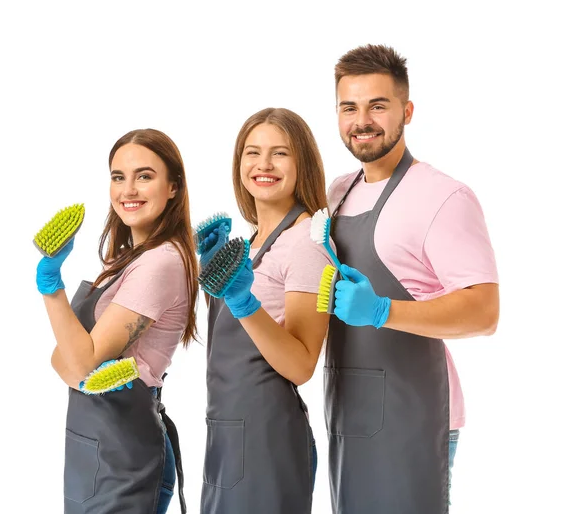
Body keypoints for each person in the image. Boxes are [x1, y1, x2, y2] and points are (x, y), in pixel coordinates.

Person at [325, 44, 500, 513]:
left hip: (415, 417)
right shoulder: (337, 192)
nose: (362, 120)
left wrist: (382, 311)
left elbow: (484, 312)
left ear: (407, 111)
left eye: (377, 106)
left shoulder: (443, 195)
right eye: (349, 107)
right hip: (348, 412)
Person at [36, 128, 198, 514]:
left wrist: (52, 288)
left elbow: (78, 361)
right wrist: (81, 369)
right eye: (118, 176)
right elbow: (62, 360)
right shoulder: (125, 259)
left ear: (173, 187)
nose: (129, 190)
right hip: (92, 448)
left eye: (144, 176)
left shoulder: (160, 262)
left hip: (126, 452)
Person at [198, 108, 333, 514]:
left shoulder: (306, 243)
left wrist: (243, 302)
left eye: (280, 154)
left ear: (302, 163)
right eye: (252, 152)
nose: (264, 165)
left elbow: (302, 364)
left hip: (265, 437)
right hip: (225, 433)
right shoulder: (251, 244)